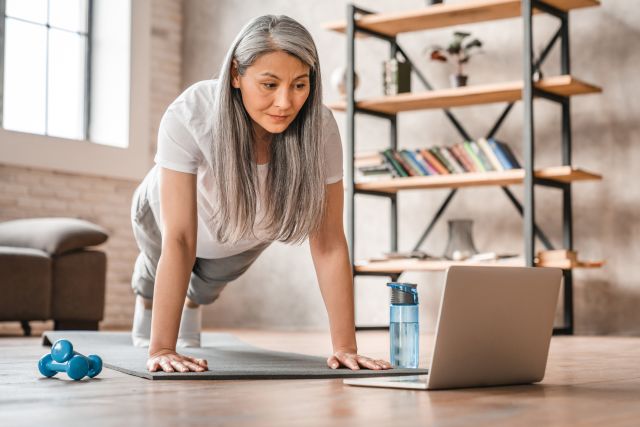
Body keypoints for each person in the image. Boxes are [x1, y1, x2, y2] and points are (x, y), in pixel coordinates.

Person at [129, 14, 393, 374]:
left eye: (299, 85)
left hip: (238, 229)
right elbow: (179, 238)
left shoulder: (321, 130)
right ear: (236, 74)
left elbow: (329, 241)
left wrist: (345, 347)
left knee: (204, 287)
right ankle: (147, 295)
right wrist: (162, 347)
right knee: (157, 258)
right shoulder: (192, 112)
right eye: (269, 85)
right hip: (163, 216)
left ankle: (193, 301)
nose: (285, 102)